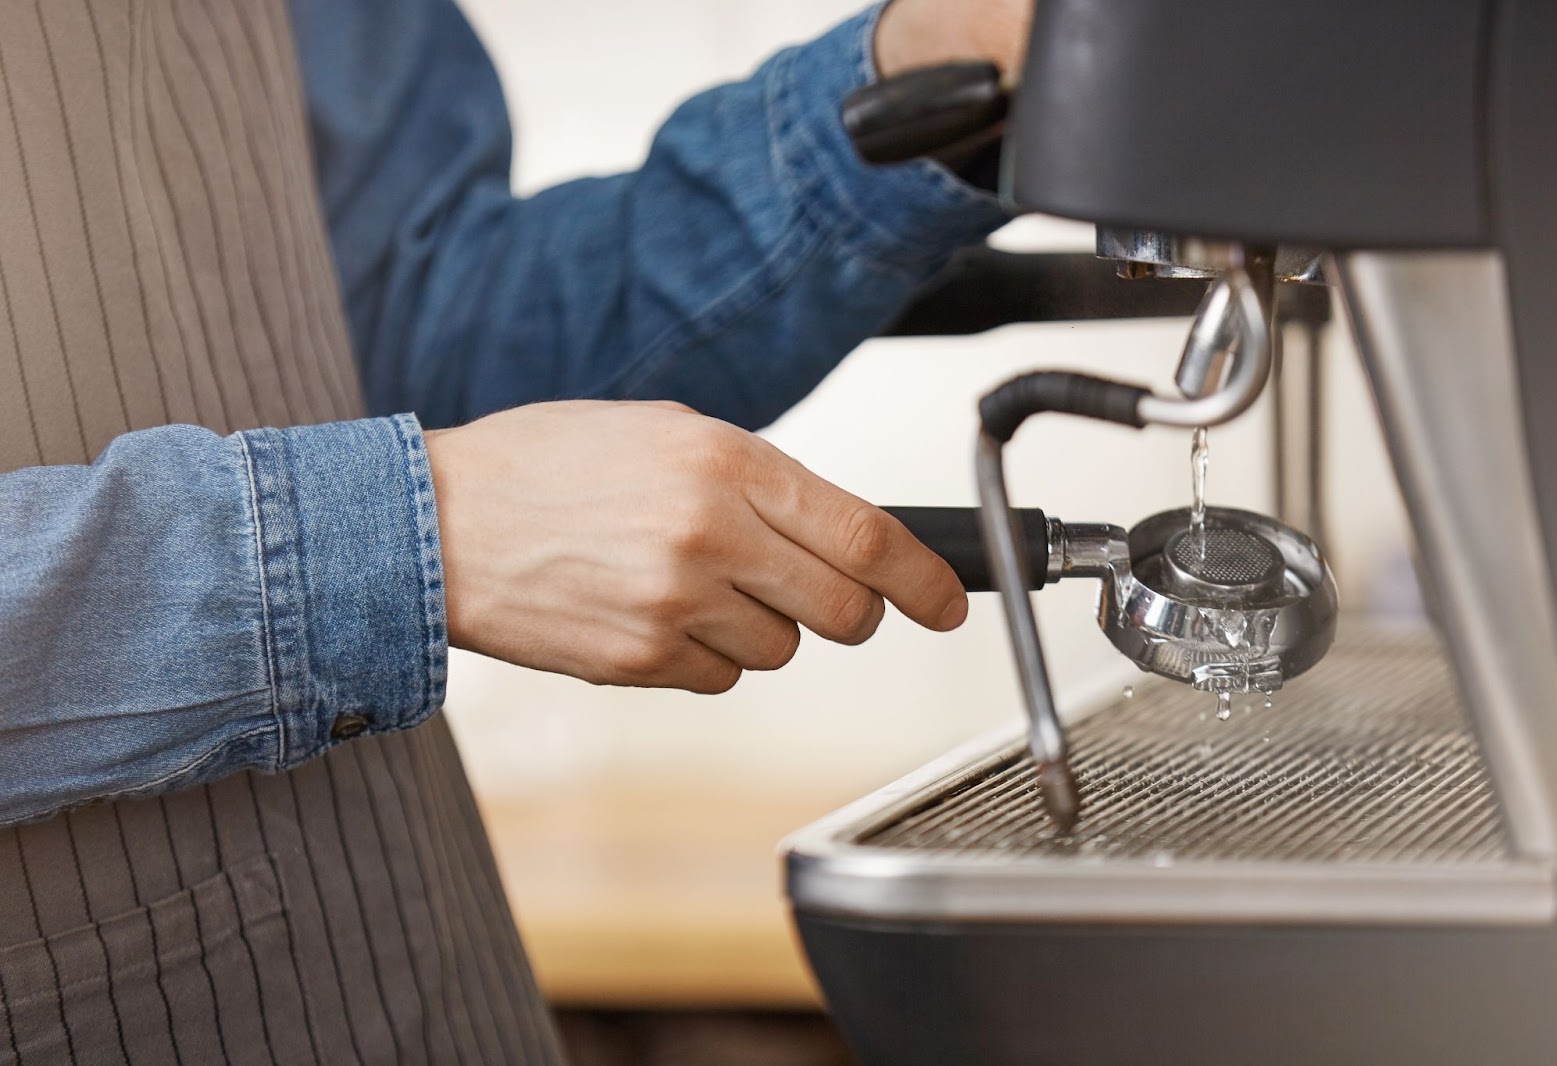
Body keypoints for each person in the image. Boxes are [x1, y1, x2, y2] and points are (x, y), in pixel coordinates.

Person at [0, 0, 1028, 1060]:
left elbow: (411, 334)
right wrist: (400, 539)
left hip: (421, 979)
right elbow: (409, 476)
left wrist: (918, 80)